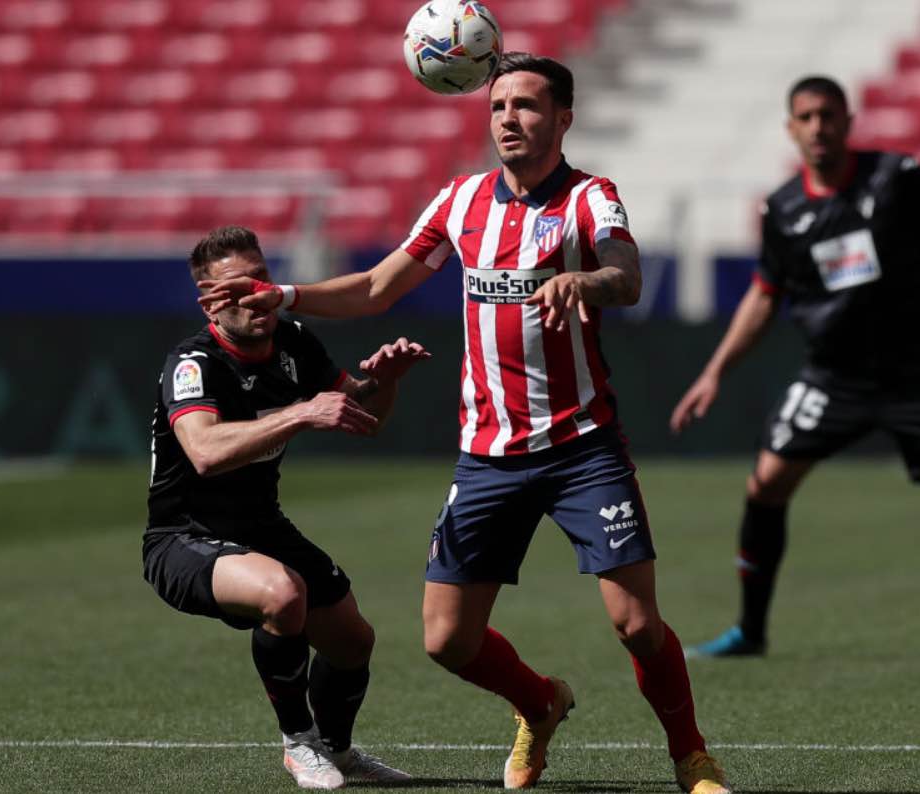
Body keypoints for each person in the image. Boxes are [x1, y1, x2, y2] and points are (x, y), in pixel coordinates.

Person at [199, 54, 732, 794]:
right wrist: (283, 293)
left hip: (583, 447)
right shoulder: (459, 202)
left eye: (528, 106)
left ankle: (691, 759)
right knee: (446, 641)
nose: (509, 119)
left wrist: (587, 279)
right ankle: (540, 705)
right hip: (487, 457)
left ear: (564, 119)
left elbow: (627, 274)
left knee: (638, 625)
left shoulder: (590, 199)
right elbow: (377, 287)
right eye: (498, 106)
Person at [669, 75, 920, 663]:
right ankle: (750, 630)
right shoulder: (782, 209)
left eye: (828, 115)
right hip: (833, 376)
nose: (817, 127)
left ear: (848, 121)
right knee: (766, 483)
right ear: (790, 129)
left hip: (918, 374)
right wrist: (715, 372)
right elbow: (763, 295)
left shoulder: (896, 177)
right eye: (805, 117)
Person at [143, 225, 429, 790]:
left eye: (261, 279)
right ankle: (299, 744)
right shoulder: (193, 363)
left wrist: (384, 381)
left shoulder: (294, 338)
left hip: (260, 526)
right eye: (233, 290)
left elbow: (361, 417)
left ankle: (339, 752)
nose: (253, 295)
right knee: (283, 593)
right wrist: (300, 414)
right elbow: (203, 451)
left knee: (354, 641)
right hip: (183, 537)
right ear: (207, 304)